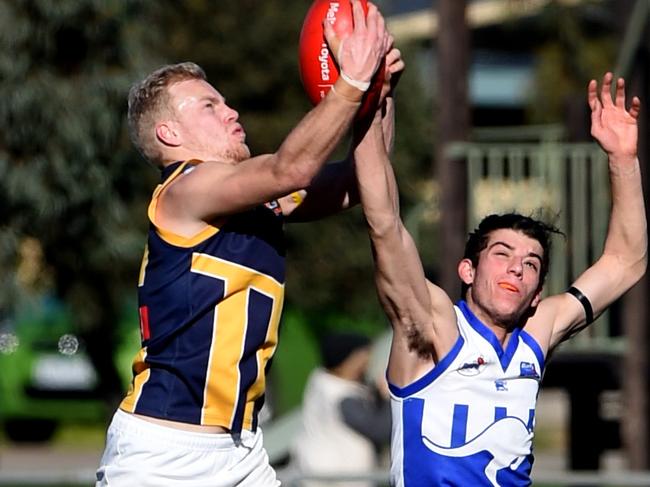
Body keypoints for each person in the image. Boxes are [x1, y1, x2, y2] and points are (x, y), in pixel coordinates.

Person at [94, 2, 392, 485]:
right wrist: (351, 81)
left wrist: (376, 99)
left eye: (224, 101)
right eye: (209, 106)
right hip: (163, 451)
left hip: (241, 448)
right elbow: (289, 169)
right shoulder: (185, 190)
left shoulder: (251, 202)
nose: (231, 111)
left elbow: (362, 182)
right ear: (169, 133)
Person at [353, 68, 647, 485]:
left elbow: (626, 261)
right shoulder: (436, 326)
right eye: (502, 254)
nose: (516, 267)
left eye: (530, 263)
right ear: (467, 270)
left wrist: (623, 160)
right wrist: (361, 104)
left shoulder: (537, 332)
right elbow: (384, 224)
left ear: (536, 293)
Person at [291, 332, 392, 487]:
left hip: (321, 476)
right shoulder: (340, 396)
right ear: (345, 360)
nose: (366, 366)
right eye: (361, 360)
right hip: (340, 479)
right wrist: (386, 398)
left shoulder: (321, 383)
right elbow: (379, 429)